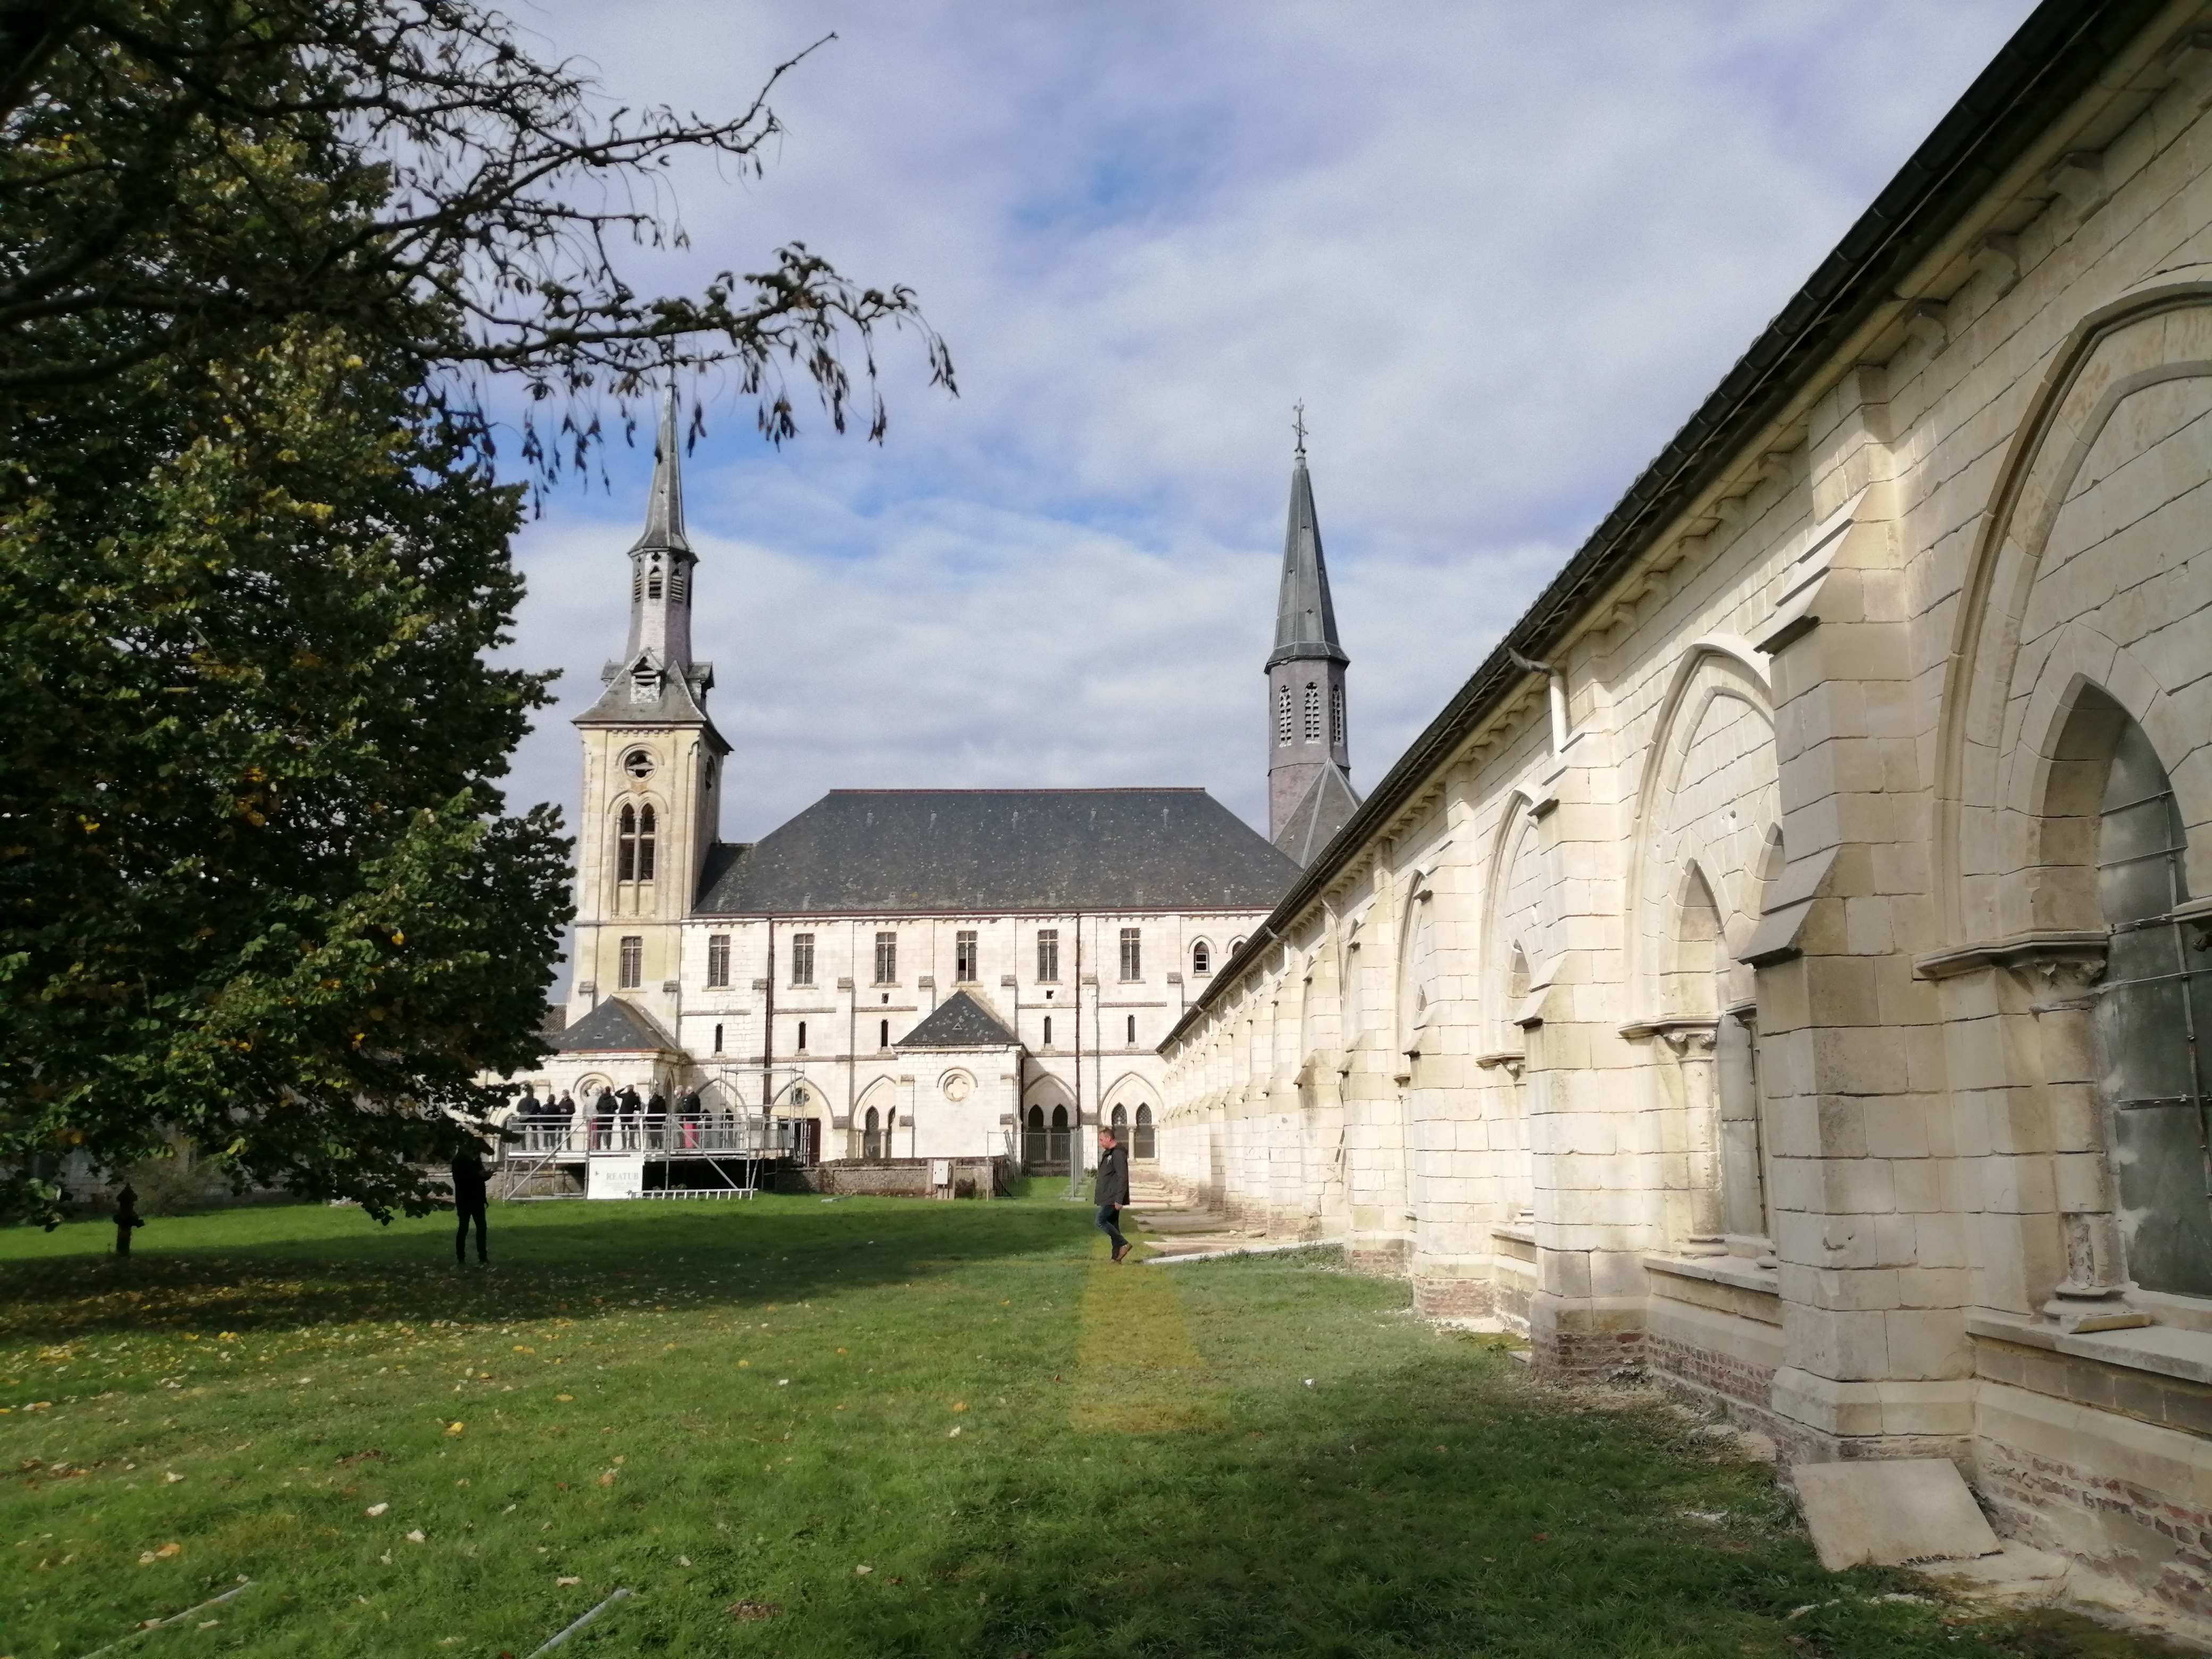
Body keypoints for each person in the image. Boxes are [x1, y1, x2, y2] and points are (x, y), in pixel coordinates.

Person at [1094, 1126, 1132, 1263]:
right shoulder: (1109, 1153)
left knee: (1100, 1221)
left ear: (1109, 1138)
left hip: (1113, 1197)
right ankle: (1116, 1258)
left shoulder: (1118, 1154)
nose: (1100, 1142)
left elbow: (1123, 1177)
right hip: (1108, 1195)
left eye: (1102, 1139)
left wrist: (1119, 1200)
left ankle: (1123, 1244)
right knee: (1114, 1226)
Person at [451, 1142, 491, 1264]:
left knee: (482, 1228)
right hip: (465, 1199)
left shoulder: (476, 1161)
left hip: (478, 1199)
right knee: (464, 1228)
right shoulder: (458, 1161)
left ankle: (483, 1257)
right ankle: (461, 1257)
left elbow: (479, 1177)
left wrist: (486, 1175)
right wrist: (477, 1175)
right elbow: (459, 1180)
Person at [113, 1183, 145, 1257]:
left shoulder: (126, 1213)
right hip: (126, 1217)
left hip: (125, 1217)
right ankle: (123, 1251)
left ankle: (122, 1251)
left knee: (124, 1235)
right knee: (124, 1235)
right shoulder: (129, 1213)